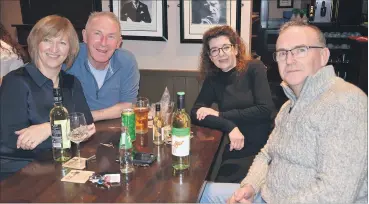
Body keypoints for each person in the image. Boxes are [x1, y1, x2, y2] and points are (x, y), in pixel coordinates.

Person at [200, 21, 368, 203]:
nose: (289, 60)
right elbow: (267, 154)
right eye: (282, 53)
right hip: (265, 194)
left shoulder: (345, 101)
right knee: (199, 194)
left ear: (323, 56)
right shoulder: (289, 106)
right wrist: (249, 187)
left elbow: (336, 193)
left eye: (301, 50)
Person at [0, 15, 96, 181]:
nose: (54, 49)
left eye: (62, 43)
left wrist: (48, 128)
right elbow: (13, 141)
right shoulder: (16, 82)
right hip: (19, 172)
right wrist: (66, 130)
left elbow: (86, 125)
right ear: (36, 43)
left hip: (61, 165)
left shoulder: (71, 82)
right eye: (48, 40)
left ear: (70, 50)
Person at [191, 25, 275, 182]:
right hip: (234, 148)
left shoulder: (254, 68)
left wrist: (221, 115)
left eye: (225, 47)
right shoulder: (213, 78)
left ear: (236, 49)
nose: (221, 54)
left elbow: (265, 109)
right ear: (209, 56)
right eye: (214, 50)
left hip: (261, 150)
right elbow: (195, 113)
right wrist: (229, 126)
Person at [67, 11, 140, 121]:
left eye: (111, 36)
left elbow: (128, 106)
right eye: (97, 34)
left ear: (118, 43)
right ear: (85, 36)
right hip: (76, 131)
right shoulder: (69, 58)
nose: (103, 42)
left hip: (115, 130)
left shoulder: (127, 62)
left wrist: (90, 116)